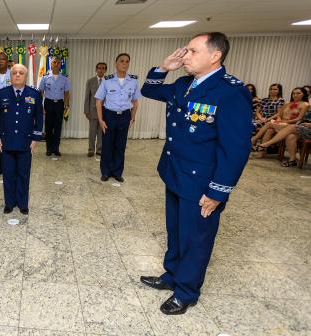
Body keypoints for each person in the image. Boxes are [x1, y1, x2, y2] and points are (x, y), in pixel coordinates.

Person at [140, 32, 252, 315]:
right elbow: (149, 90)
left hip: (202, 182)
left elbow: (235, 149)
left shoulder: (230, 92)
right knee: (176, 232)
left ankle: (187, 291)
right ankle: (172, 276)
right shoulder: (183, 84)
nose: (185, 56)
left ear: (215, 56)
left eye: (191, 51)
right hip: (175, 172)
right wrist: (164, 67)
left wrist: (217, 192)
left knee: (196, 238)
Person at [0, 64, 43, 214]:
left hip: (25, 142)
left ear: (26, 76)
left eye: (21, 73)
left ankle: (22, 203)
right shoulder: (2, 94)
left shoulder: (34, 94)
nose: (18, 75)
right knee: (8, 174)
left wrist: (35, 140)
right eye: (14, 73)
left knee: (23, 174)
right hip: (6, 142)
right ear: (11, 76)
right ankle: (9, 203)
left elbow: (39, 118)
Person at [95, 54, 141, 182]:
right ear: (116, 63)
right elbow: (98, 101)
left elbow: (135, 102)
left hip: (125, 116)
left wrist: (132, 118)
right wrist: (100, 119)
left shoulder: (133, 81)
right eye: (121, 61)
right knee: (107, 145)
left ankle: (117, 172)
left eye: (127, 61)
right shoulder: (107, 80)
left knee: (120, 146)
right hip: (109, 115)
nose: (124, 64)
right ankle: (105, 171)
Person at [252, 87, 309, 155]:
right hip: (281, 124)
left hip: (291, 126)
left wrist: (284, 122)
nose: (295, 95)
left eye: (298, 93)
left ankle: (253, 140)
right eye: (293, 93)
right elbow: (279, 114)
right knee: (269, 130)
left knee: (269, 124)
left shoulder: (305, 104)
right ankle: (262, 152)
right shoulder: (287, 103)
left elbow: (299, 119)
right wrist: (279, 119)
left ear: (304, 94)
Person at [38, 56, 71, 156]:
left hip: (59, 104)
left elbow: (66, 93)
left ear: (61, 64)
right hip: (48, 103)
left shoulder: (64, 79)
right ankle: (49, 149)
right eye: (54, 62)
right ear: (51, 64)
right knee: (48, 127)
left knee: (58, 127)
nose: (56, 64)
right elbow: (40, 92)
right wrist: (41, 107)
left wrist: (66, 106)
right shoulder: (45, 78)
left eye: (58, 62)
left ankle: (56, 148)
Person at [84, 62, 107, 157]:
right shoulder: (90, 81)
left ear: (105, 70)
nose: (101, 70)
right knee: (92, 131)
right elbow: (87, 96)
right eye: (99, 68)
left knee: (101, 132)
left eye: (103, 68)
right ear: (96, 69)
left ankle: (99, 149)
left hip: (104, 110)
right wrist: (86, 111)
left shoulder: (108, 81)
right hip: (92, 111)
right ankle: (91, 149)